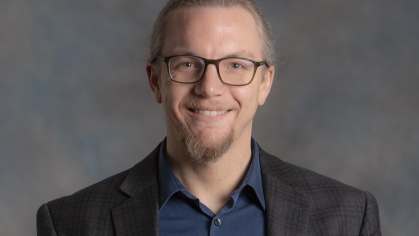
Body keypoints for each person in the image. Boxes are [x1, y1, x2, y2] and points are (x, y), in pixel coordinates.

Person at [36, 0, 381, 235]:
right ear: (156, 80)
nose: (210, 88)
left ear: (265, 83)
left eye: (236, 65)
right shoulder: (70, 224)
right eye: (187, 63)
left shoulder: (348, 218)